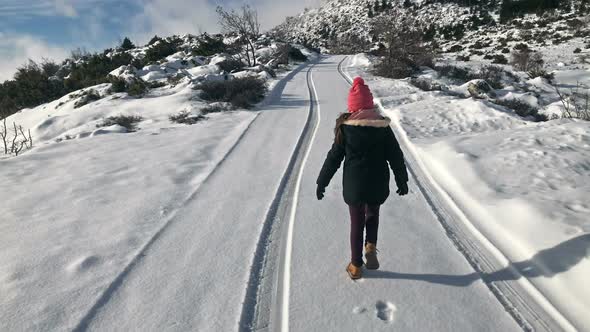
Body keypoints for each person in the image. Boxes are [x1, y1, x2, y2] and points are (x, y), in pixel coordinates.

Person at [316, 77, 409, 280]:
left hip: (354, 185)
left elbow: (334, 158)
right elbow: (395, 156)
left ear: (352, 107)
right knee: (373, 214)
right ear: (370, 104)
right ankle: (371, 247)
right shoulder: (384, 128)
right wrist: (402, 179)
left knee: (356, 223)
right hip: (378, 183)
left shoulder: (346, 129)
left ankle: (356, 265)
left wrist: (322, 181)